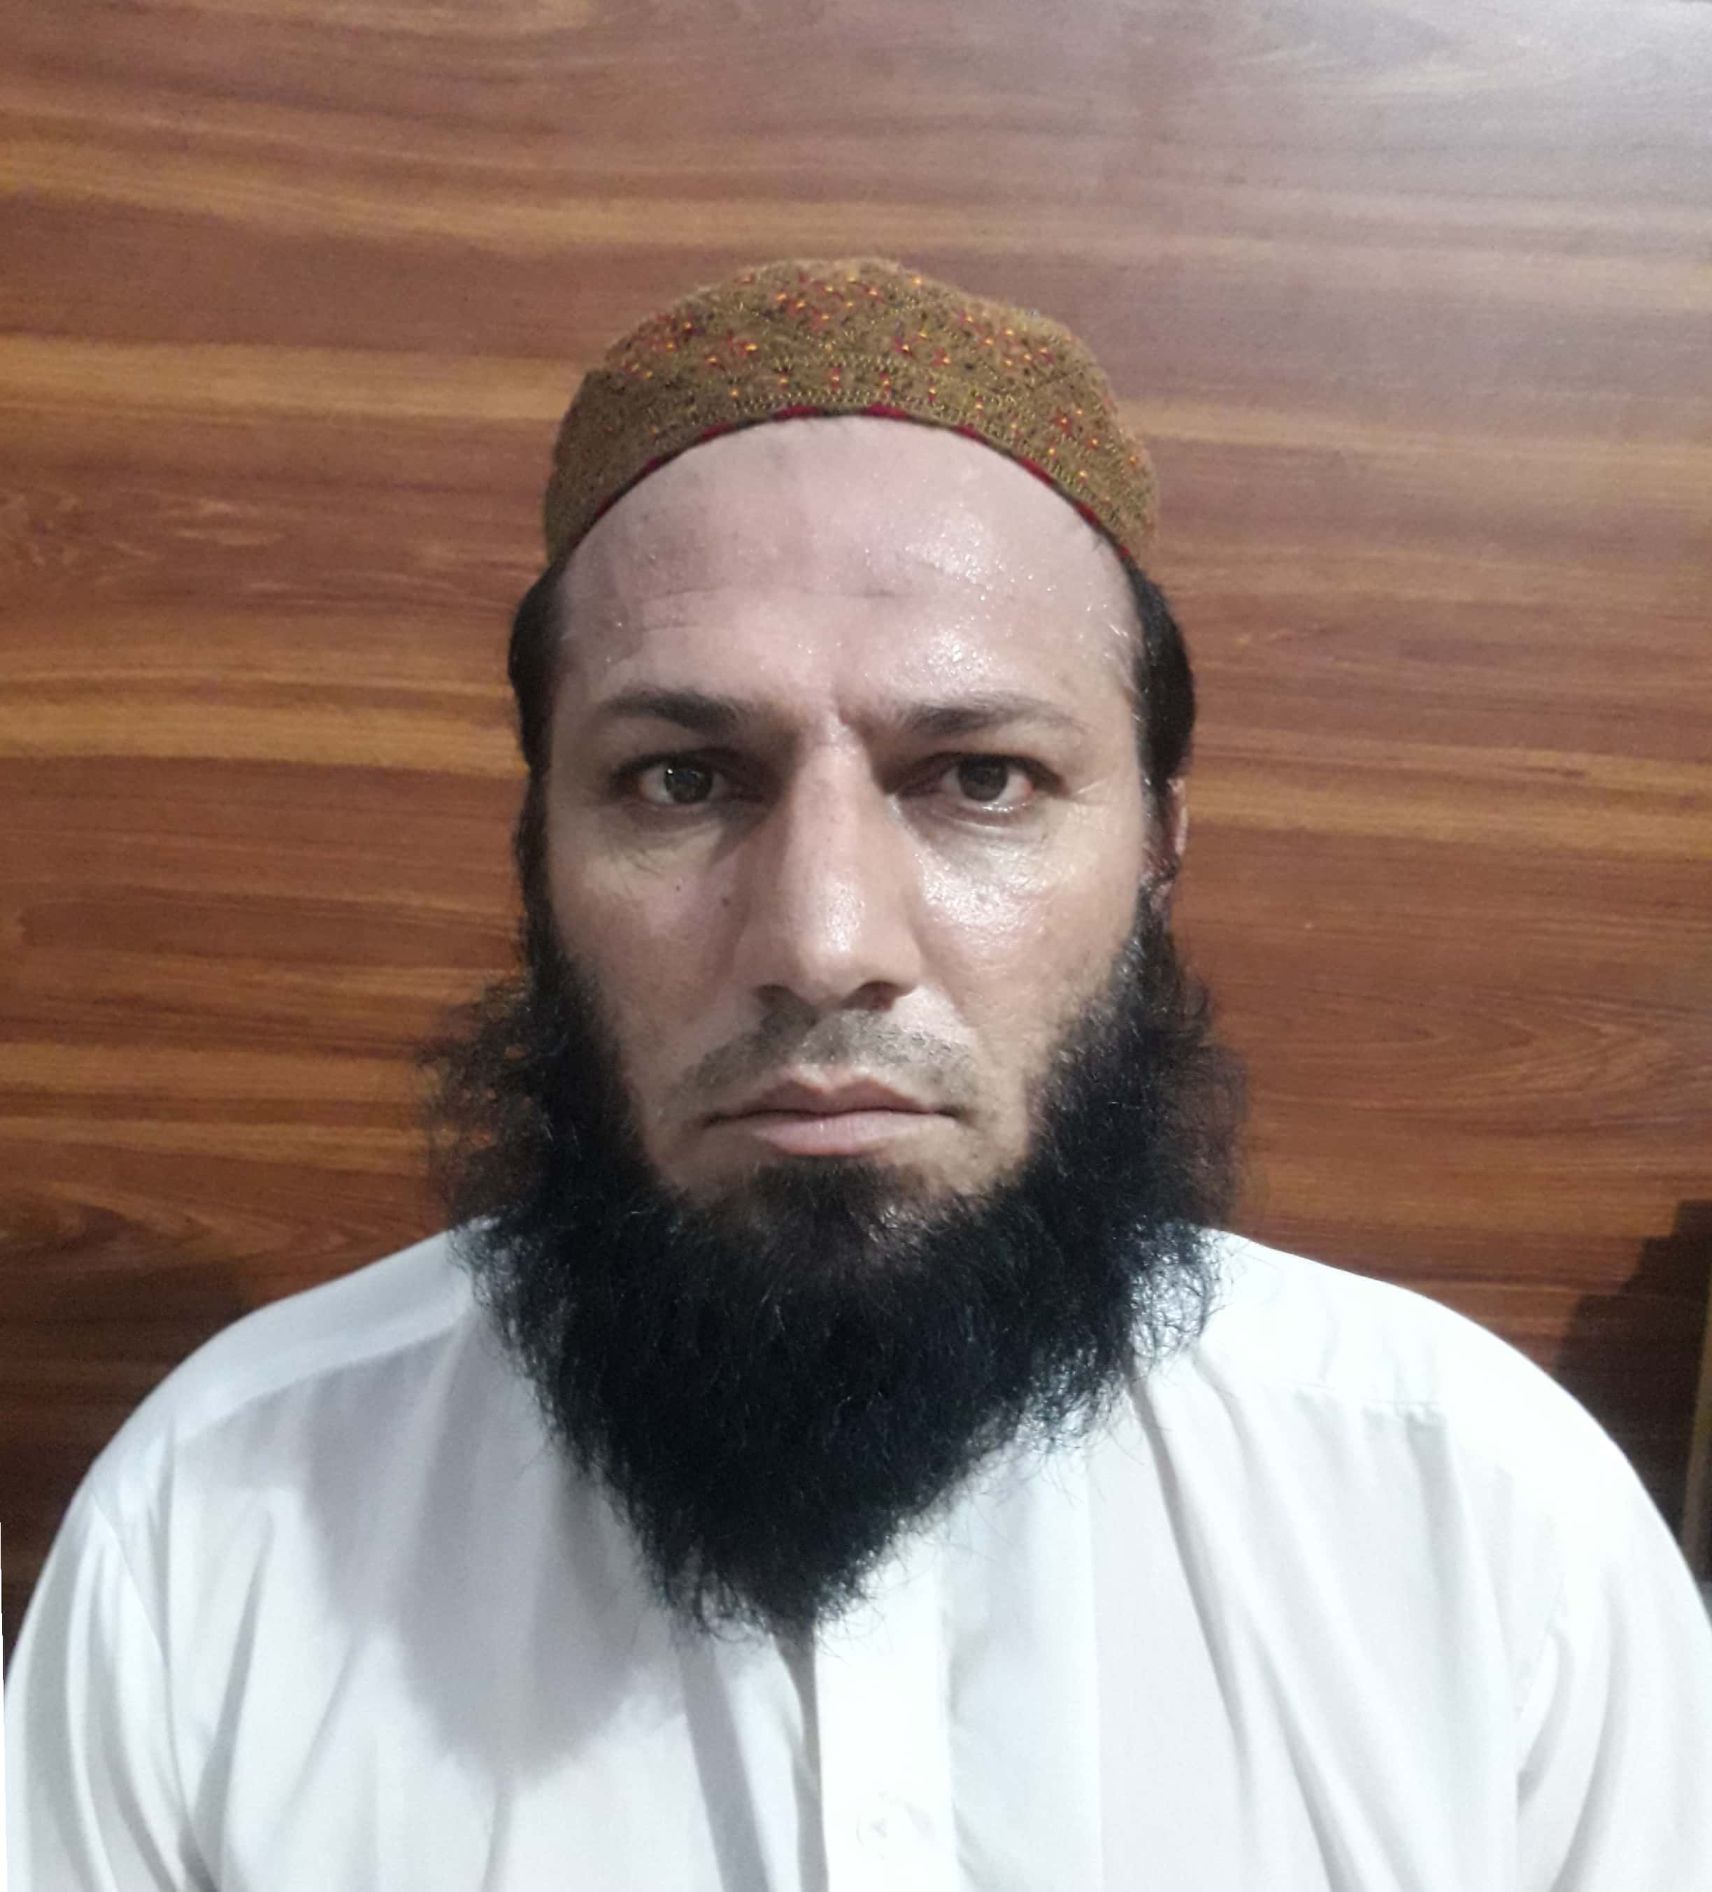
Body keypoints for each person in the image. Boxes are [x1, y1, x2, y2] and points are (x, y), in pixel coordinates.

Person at [7, 257, 1710, 1890]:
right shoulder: (214, 1531)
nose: (822, 944)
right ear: (537, 856)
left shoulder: (1489, 1529)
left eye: (980, 778)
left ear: (1158, 850)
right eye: (683, 780)